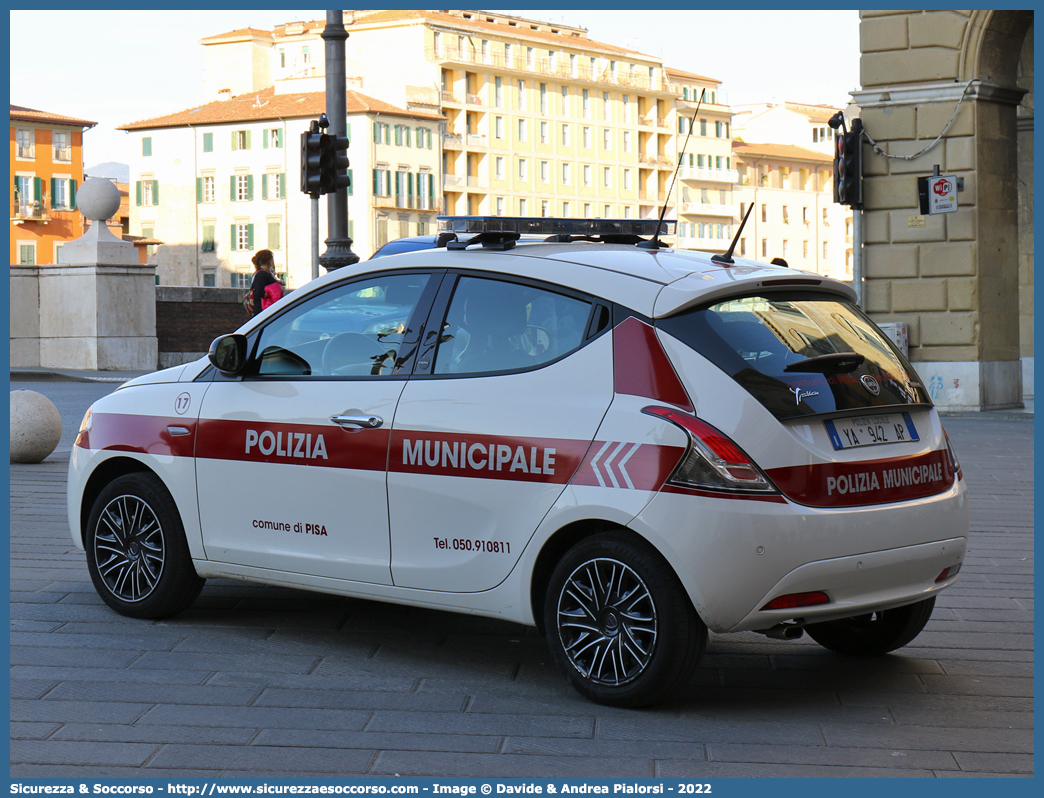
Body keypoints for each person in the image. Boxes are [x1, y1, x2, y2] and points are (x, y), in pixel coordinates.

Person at [250, 249, 282, 316]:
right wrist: (276, 291)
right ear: (269, 261)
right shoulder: (262, 274)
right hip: (263, 308)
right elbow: (260, 292)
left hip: (265, 308)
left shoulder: (262, 273)